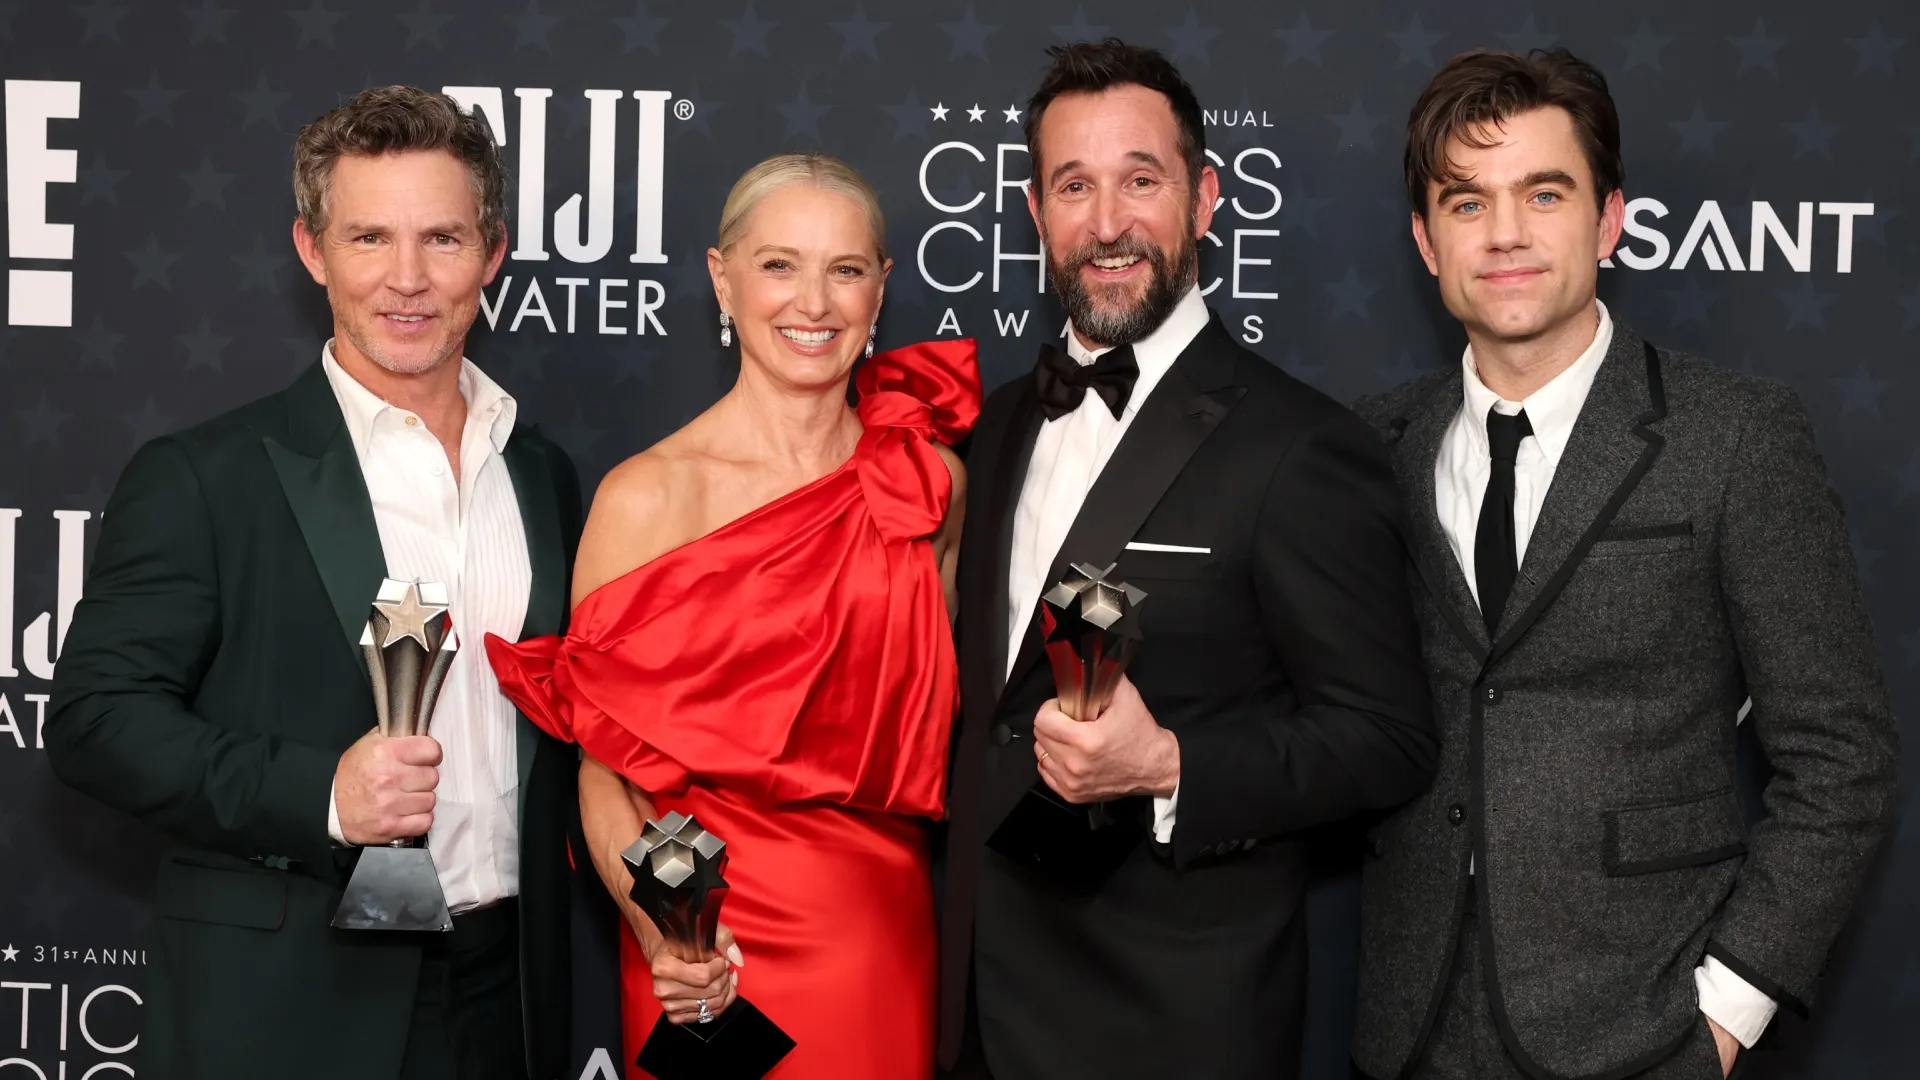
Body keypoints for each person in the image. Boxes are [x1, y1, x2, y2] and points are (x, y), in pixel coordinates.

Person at [1351, 49, 1900, 1080]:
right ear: (1426, 241)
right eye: (1466, 202)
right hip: (1407, 1031)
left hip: (1644, 1033)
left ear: (1608, 220)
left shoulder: (1736, 438)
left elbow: (1840, 757)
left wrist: (1725, 1015)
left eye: (1543, 193)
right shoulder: (1374, 445)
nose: (1505, 233)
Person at [46, 87, 585, 1080]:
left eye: (442, 239)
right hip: (287, 1004)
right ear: (312, 251)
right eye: (370, 238)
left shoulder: (542, 474)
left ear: (493, 253)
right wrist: (322, 795)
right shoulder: (206, 476)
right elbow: (94, 721)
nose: (408, 278)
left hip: (505, 995)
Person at [936, 40, 1438, 1080]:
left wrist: (1169, 765)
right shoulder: (996, 427)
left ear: (1204, 200)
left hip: (1169, 1025)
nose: (1106, 223)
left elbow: (1386, 739)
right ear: (1035, 214)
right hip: (977, 1011)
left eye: (1141, 181)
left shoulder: (1300, 447)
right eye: (1074, 186)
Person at [484, 153, 978, 1080]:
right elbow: (602, 771)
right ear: (723, 278)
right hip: (700, 940)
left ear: (880, 290)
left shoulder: (929, 486)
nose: (813, 303)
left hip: (874, 937)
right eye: (779, 265)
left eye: (845, 269)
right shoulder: (647, 497)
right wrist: (661, 932)